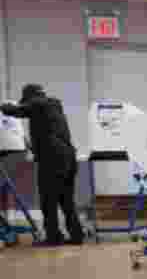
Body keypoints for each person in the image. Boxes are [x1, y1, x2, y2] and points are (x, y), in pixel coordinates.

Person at [0, 84, 84, 246]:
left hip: (53, 159)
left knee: (48, 200)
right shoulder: (53, 106)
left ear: (31, 98)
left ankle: (53, 237)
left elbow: (17, 110)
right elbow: (46, 132)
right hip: (68, 156)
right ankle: (76, 236)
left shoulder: (39, 104)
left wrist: (3, 106)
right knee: (66, 200)